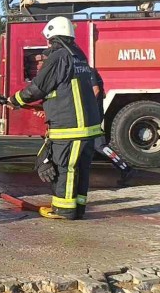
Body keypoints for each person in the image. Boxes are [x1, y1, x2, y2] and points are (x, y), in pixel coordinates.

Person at [8, 16, 103, 220]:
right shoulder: (78, 55)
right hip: (87, 128)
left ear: (53, 37)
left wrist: (15, 100)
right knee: (80, 170)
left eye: (49, 40)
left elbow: (38, 87)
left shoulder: (59, 56)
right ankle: (77, 209)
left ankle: (64, 210)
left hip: (71, 128)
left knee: (65, 168)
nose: (48, 44)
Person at [32, 53, 135, 185]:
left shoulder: (87, 71)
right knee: (91, 146)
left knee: (99, 145)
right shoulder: (83, 70)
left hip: (90, 116)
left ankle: (125, 168)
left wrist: (80, 107)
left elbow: (96, 91)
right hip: (89, 114)